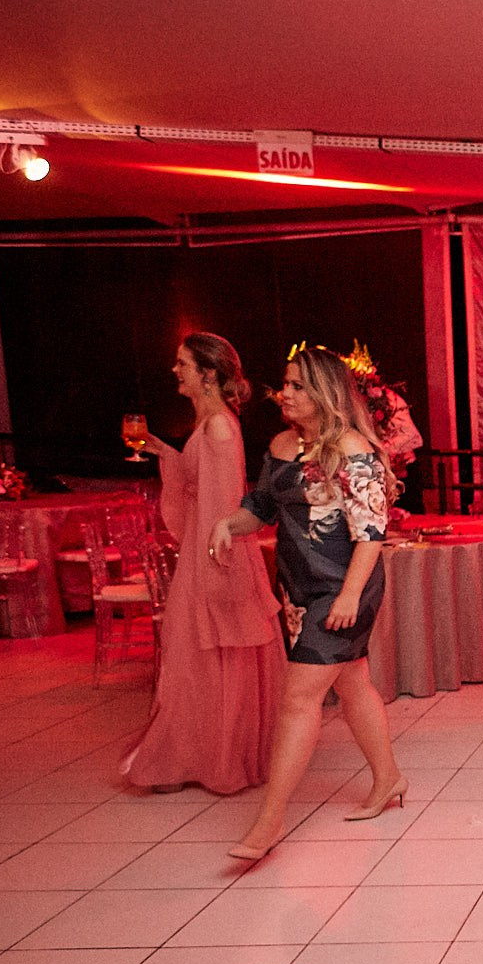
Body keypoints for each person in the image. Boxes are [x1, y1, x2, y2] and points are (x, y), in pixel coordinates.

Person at [210, 344, 405, 861]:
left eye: (297, 386)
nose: (285, 394)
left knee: (299, 697)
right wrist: (229, 523)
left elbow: (371, 534)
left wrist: (347, 595)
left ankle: (269, 823)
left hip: (345, 587)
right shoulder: (279, 445)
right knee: (353, 681)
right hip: (298, 588)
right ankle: (388, 778)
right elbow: (261, 508)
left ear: (322, 392)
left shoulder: (352, 449)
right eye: (285, 384)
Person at [122, 334, 283, 795]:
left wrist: (214, 571)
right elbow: (201, 487)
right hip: (205, 549)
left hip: (211, 555)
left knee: (204, 654)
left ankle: (213, 758)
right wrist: (162, 452)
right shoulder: (213, 423)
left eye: (183, 364)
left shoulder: (218, 427)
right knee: (198, 655)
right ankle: (203, 754)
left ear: (207, 374)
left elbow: (220, 506)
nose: (176, 371)